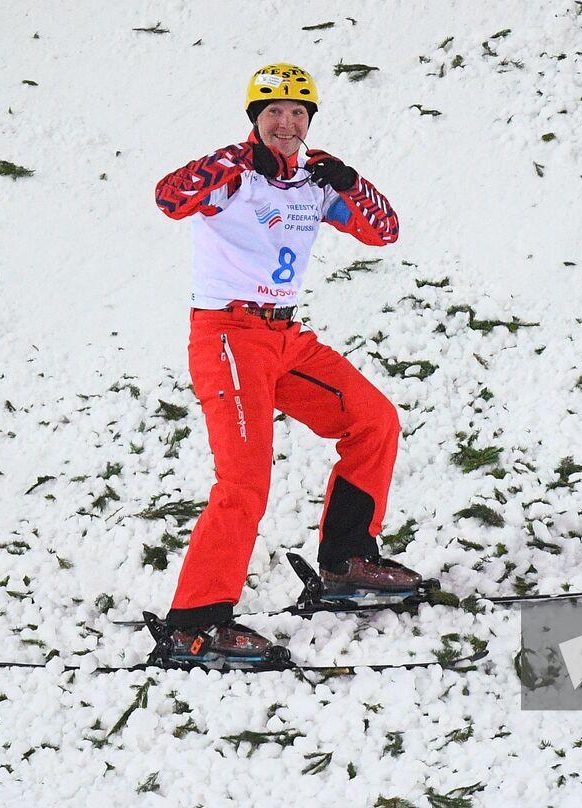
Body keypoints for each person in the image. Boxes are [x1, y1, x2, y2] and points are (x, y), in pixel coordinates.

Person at [152, 63, 424, 666]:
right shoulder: (232, 176)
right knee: (244, 483)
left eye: (298, 112)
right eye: (273, 111)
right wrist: (232, 161)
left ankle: (347, 563)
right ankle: (193, 625)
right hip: (227, 335)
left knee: (374, 420)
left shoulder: (314, 178)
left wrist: (350, 183)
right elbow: (169, 199)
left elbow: (385, 233)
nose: (286, 121)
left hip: (285, 338)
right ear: (256, 118)